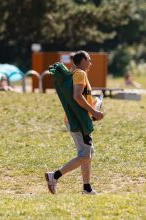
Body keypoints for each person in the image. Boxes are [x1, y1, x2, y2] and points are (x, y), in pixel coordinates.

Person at [45, 50, 104, 195]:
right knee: (85, 155)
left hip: (77, 119)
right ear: (83, 60)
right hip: (78, 120)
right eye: (89, 60)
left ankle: (87, 188)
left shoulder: (74, 73)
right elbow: (77, 96)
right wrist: (94, 112)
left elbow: (79, 96)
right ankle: (55, 176)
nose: (90, 63)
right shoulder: (80, 73)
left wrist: (92, 104)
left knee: (88, 153)